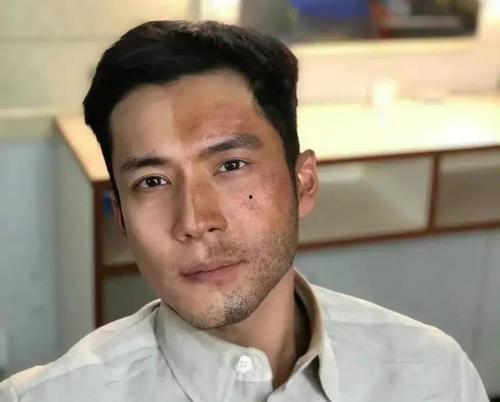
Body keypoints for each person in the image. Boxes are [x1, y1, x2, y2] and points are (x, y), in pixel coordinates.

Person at [0, 20, 489, 402]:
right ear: (122, 219)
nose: (194, 221)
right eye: (152, 181)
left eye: (231, 165)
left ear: (303, 183)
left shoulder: (432, 374)